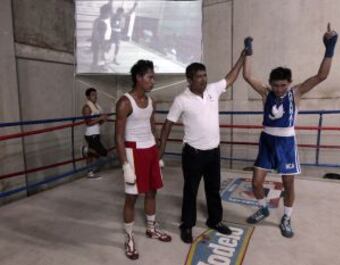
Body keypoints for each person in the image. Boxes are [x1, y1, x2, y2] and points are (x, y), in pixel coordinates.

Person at [243, 24, 338, 238]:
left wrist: (330, 48)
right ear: (270, 84)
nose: (279, 89)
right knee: (256, 183)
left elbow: (321, 76)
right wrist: (248, 51)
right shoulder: (266, 94)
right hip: (266, 141)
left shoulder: (296, 93)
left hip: (286, 144)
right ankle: (263, 208)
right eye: (276, 85)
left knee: (288, 184)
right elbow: (248, 76)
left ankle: (286, 217)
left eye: (283, 85)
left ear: (289, 83)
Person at [159, 50, 246, 243]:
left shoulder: (213, 90)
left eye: (205, 75)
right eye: (199, 77)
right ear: (189, 79)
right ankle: (187, 225)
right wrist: (161, 151)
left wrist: (242, 56)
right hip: (193, 154)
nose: (203, 79)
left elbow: (231, 77)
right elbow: (167, 125)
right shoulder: (181, 100)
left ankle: (215, 221)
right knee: (190, 190)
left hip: (213, 152)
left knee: (213, 189)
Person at [115, 60, 171, 260]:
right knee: (131, 197)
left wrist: (157, 153)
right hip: (133, 151)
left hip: (149, 151)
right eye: (150, 77)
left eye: (153, 77)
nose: (153, 81)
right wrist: (125, 165)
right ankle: (129, 237)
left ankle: (150, 227)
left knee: (152, 191)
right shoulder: (124, 102)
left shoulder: (151, 101)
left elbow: (153, 128)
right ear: (138, 78)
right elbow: (119, 137)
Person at [82, 88, 108, 178]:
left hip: (96, 134)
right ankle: (85, 150)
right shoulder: (87, 107)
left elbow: (98, 123)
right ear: (88, 96)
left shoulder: (96, 107)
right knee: (103, 152)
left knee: (91, 155)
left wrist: (103, 119)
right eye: (93, 94)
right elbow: (88, 122)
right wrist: (100, 118)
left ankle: (90, 172)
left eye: (96, 94)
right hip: (90, 135)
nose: (95, 96)